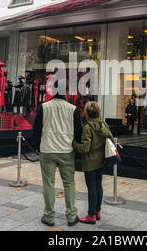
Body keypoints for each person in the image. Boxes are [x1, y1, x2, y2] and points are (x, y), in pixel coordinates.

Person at [31, 78, 82, 227]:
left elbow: (36, 129)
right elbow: (78, 131)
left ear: (52, 91)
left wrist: (37, 147)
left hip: (47, 149)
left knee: (48, 183)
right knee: (69, 183)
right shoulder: (73, 109)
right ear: (66, 92)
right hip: (67, 151)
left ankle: (49, 216)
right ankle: (72, 215)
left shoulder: (43, 107)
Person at [73, 102, 114, 224]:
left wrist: (74, 143)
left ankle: (91, 215)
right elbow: (111, 139)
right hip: (102, 161)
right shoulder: (104, 125)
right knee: (98, 185)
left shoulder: (88, 127)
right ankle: (97, 211)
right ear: (98, 112)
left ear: (87, 113)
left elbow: (85, 148)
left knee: (91, 188)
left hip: (90, 162)